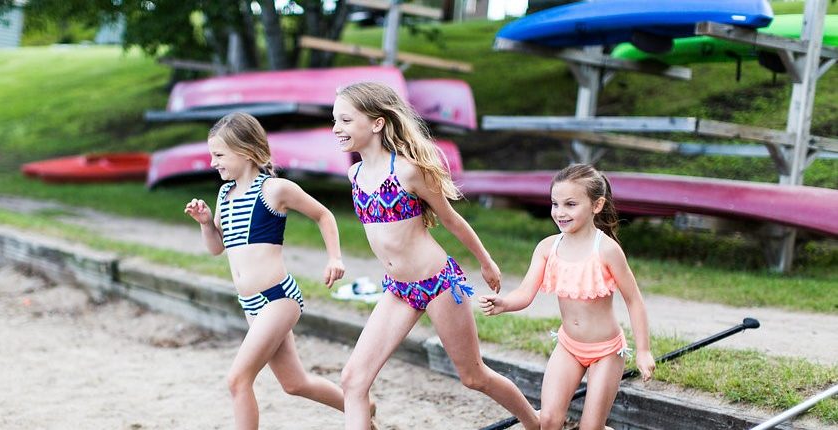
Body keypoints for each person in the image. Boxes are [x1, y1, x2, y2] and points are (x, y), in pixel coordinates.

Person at [332, 82, 541, 430]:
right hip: (398, 288)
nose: (337, 128)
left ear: (377, 123)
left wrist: (485, 261)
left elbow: (450, 219)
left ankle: (536, 423)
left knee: (473, 376)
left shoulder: (408, 171)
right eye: (335, 119)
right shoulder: (354, 174)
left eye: (346, 120)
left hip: (438, 284)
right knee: (353, 380)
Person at [184, 112, 355, 429]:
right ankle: (360, 407)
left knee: (237, 379)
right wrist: (207, 223)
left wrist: (335, 258)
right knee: (295, 383)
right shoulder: (225, 194)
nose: (212, 163)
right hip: (251, 305)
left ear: (246, 151)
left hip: (278, 299)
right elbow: (216, 248)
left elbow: (324, 215)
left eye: (219, 155)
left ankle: (360, 410)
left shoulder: (274, 190)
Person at [479, 163, 656, 430]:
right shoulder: (548, 247)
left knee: (590, 427)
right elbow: (525, 293)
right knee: (548, 420)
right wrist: (505, 303)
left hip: (606, 352)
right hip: (569, 346)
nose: (560, 212)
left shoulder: (607, 250)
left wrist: (643, 351)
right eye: (555, 204)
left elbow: (634, 300)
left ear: (597, 205)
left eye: (570, 204)